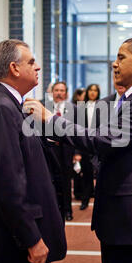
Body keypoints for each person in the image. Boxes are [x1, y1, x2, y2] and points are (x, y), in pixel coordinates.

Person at [25, 37, 132, 263]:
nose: (114, 64)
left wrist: (51, 120)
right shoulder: (131, 100)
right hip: (120, 216)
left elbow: (103, 140)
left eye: (121, 57)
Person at [0, 39, 66, 263]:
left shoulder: (9, 105)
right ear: (14, 68)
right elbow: (7, 183)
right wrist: (32, 239)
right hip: (13, 246)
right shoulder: (1, 108)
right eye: (32, 62)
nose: (38, 67)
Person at [45, 81, 76, 220]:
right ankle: (54, 212)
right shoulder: (45, 108)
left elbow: (79, 133)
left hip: (67, 151)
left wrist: (78, 153)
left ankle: (67, 211)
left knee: (65, 182)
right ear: (52, 92)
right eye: (56, 90)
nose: (59, 93)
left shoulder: (74, 109)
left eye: (62, 90)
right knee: (51, 182)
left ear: (66, 93)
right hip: (50, 151)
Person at [78, 84, 101, 211]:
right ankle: (85, 200)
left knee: (100, 174)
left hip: (98, 143)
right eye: (91, 90)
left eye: (95, 90)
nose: (93, 92)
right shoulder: (81, 107)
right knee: (86, 174)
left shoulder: (103, 106)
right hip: (85, 144)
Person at [71, 88, 86, 200]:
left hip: (82, 143)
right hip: (74, 143)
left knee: (81, 170)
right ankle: (77, 192)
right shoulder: (74, 108)